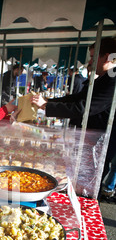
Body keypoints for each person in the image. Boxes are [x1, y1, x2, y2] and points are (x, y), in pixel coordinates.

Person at [31, 36, 116, 190]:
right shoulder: (104, 78)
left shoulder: (113, 80)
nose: (89, 62)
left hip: (98, 143)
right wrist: (48, 102)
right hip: (90, 141)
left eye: (92, 57)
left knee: (87, 186)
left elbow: (83, 108)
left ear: (107, 57)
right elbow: (76, 98)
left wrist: (46, 106)